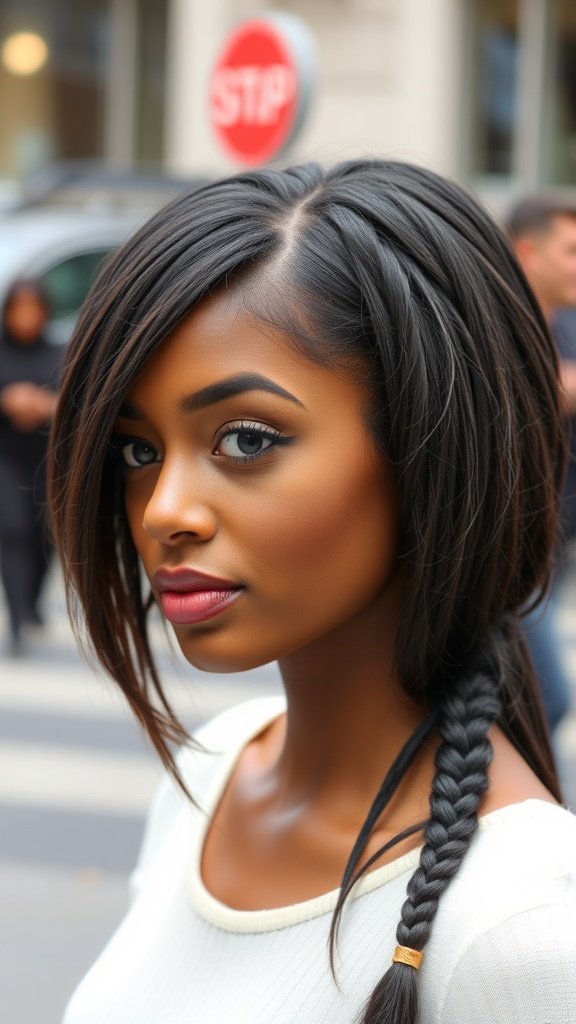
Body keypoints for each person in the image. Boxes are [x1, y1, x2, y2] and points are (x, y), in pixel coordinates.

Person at [49, 161, 576, 1024]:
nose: (165, 511)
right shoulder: (209, 772)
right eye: (139, 451)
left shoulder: (521, 926)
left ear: (425, 449)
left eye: (246, 439)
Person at [506, 197, 576, 734]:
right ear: (527, 252)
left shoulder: (567, 328)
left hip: (551, 550)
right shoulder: (495, 325)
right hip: (505, 557)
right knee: (545, 699)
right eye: (571, 251)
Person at [0, 278, 60, 655]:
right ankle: (19, 616)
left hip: (45, 461)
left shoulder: (60, 352)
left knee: (45, 535)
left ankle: (33, 601)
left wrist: (44, 406)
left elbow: (77, 403)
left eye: (32, 308)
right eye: (18, 309)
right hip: (4, 457)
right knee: (13, 530)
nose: (25, 317)